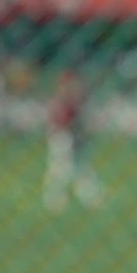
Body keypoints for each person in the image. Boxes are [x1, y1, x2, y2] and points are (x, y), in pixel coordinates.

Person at [43, 69, 103, 211]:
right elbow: (60, 121)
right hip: (63, 137)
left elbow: (84, 121)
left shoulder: (76, 99)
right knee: (61, 169)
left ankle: (91, 197)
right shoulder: (62, 100)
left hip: (76, 137)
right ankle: (54, 199)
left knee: (82, 168)